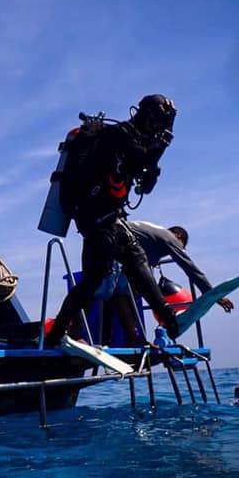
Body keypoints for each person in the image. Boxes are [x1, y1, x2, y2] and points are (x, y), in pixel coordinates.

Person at [46, 95, 180, 347]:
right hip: (93, 217)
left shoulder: (141, 142)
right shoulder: (118, 134)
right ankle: (57, 333)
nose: (156, 129)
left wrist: (153, 168)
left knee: (132, 263)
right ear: (146, 115)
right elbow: (141, 157)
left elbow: (145, 184)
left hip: (112, 218)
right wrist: (165, 138)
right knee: (94, 280)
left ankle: (168, 316)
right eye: (157, 122)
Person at [128, 221, 235, 313]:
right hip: (119, 239)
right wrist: (214, 296)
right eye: (181, 246)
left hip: (119, 238)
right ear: (178, 235)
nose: (178, 250)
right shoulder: (170, 238)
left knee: (132, 289)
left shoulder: (156, 236)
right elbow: (191, 269)